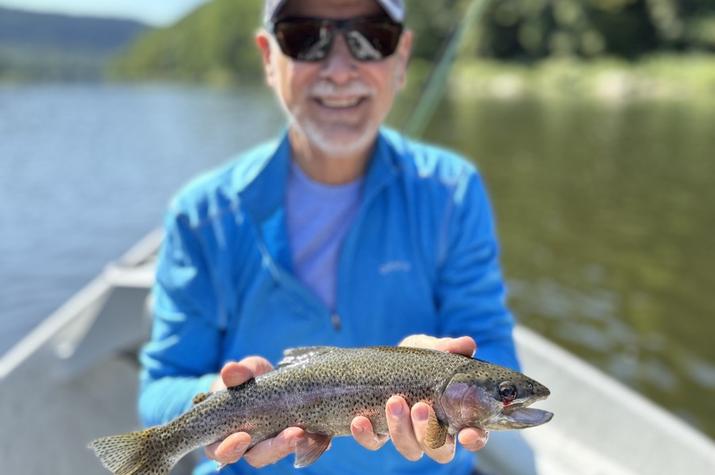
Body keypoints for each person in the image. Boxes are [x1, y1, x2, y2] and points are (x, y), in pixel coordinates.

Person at [139, 0, 521, 474]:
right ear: (267, 58)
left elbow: (495, 352)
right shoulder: (201, 215)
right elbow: (158, 392)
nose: (340, 70)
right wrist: (219, 400)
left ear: (401, 57)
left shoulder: (452, 192)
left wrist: (450, 376)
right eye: (305, 36)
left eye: (370, 36)